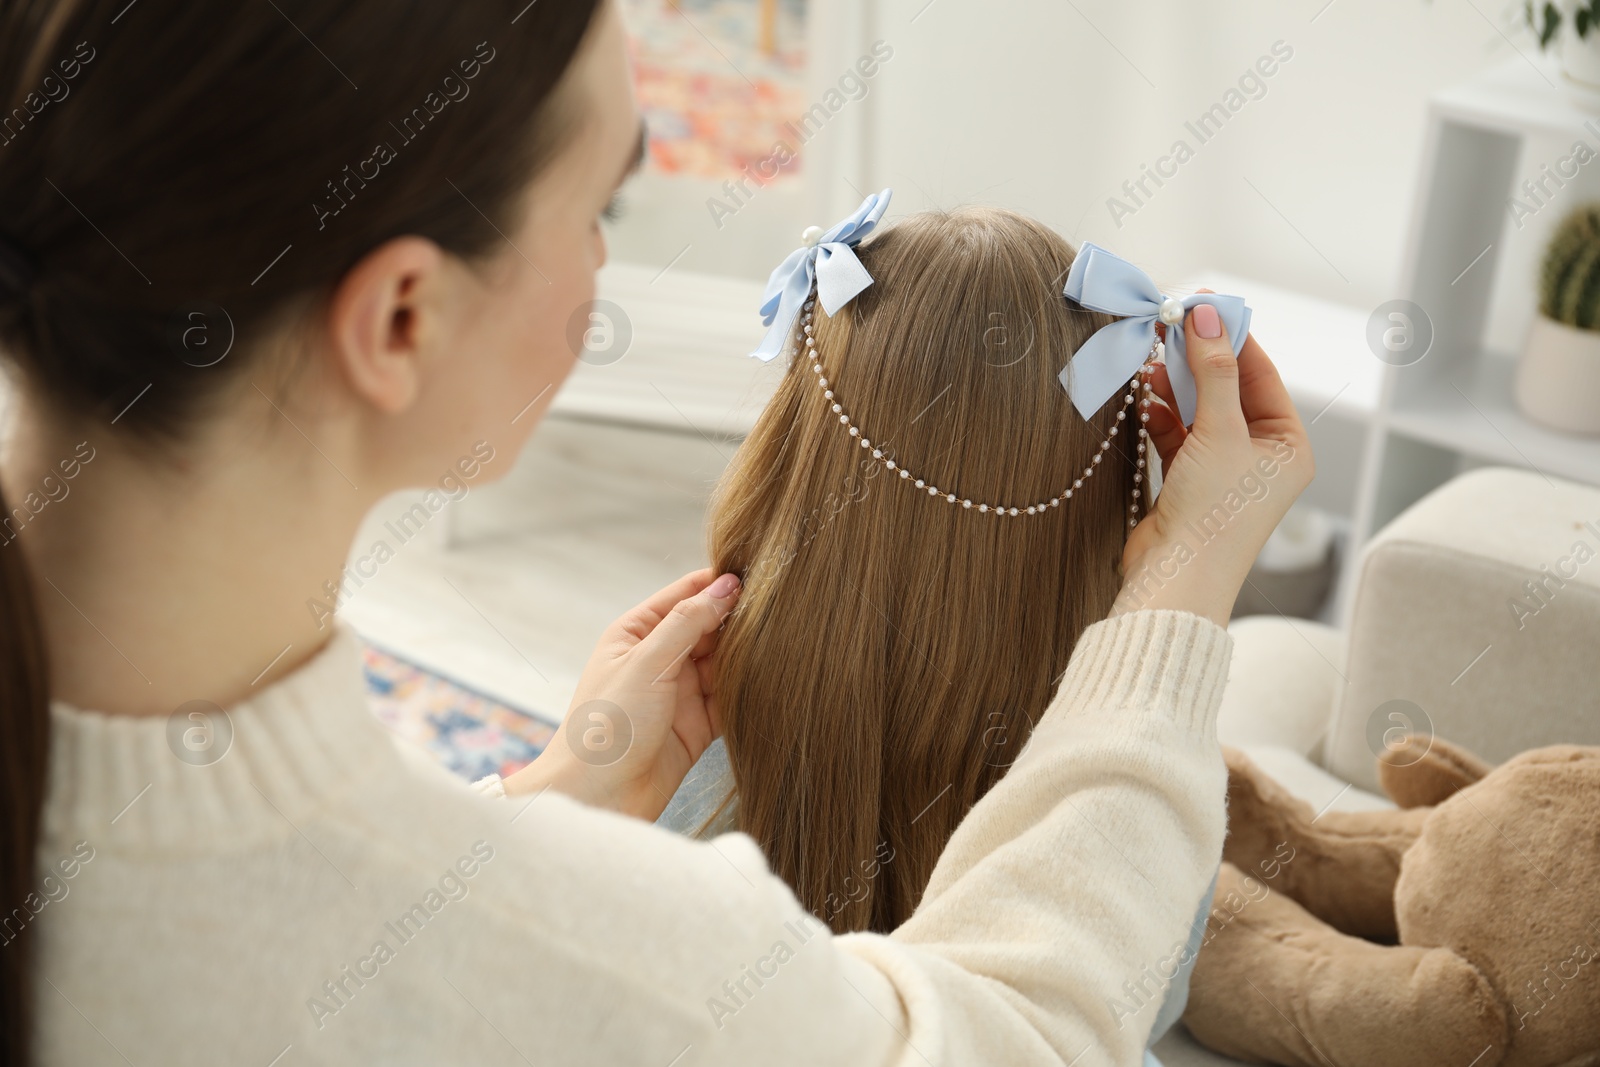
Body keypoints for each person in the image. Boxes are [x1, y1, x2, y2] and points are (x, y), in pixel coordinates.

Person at [0, 2, 1311, 1065]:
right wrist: (1184, 587)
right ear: (402, 317)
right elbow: (1026, 1034)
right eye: (600, 212)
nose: (602, 272)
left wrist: (539, 801)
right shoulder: (638, 969)